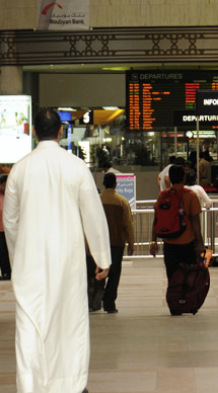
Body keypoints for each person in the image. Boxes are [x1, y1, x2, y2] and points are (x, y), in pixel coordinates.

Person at [2, 108, 111, 393]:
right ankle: (70, 385)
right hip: (68, 262)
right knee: (69, 323)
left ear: (35, 131)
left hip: (30, 263)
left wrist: (17, 258)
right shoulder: (75, 166)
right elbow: (92, 213)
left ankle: (30, 385)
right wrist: (102, 257)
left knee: (30, 327)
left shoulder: (20, 170)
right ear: (61, 131)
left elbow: (10, 221)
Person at [149, 165, 205, 280]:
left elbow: (156, 219)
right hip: (187, 243)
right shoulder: (190, 195)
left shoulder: (163, 195)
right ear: (184, 178)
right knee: (189, 277)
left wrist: (153, 241)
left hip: (169, 243)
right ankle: (185, 298)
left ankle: (176, 298)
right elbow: (195, 222)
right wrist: (200, 243)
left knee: (173, 278)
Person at [99, 172, 135, 313]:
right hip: (116, 242)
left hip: (100, 243)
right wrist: (131, 242)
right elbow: (128, 224)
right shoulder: (121, 201)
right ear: (115, 184)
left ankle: (96, 300)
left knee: (100, 272)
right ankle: (109, 303)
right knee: (114, 273)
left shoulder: (97, 200)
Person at [0, 174, 11, 280]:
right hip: (1, 229)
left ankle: (12, 272)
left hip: (11, 229)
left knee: (11, 251)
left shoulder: (12, 195)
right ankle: (5, 272)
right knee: (3, 252)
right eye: (4, 184)